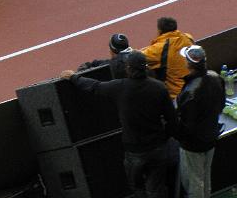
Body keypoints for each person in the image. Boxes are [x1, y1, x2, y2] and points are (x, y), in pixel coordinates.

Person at [61, 51, 177, 198]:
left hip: (134, 149)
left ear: (128, 68)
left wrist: (73, 77)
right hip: (157, 147)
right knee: (156, 188)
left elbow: (94, 86)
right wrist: (164, 138)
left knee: (137, 187)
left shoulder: (120, 87)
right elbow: (172, 119)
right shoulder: (159, 88)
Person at [175, 45, 226, 198]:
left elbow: (186, 120)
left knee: (195, 181)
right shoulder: (216, 78)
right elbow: (221, 105)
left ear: (189, 64)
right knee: (205, 178)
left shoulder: (191, 90)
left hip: (193, 143)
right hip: (211, 135)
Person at [142, 17, 194, 99]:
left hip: (176, 95)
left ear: (159, 31)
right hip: (194, 87)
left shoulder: (160, 48)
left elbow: (138, 56)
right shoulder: (188, 38)